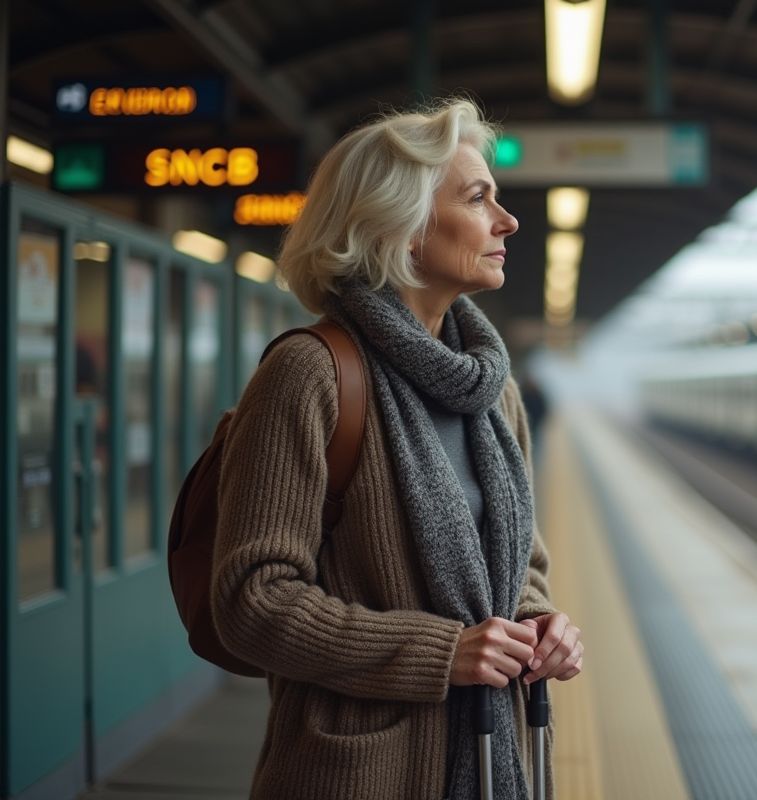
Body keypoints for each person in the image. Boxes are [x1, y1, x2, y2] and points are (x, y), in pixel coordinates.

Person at [212, 98, 583, 800]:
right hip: (357, 774)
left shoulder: (491, 391)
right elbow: (251, 599)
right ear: (403, 228)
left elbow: (521, 562)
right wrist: (441, 652)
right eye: (479, 198)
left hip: (494, 751)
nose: (507, 222)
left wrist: (537, 624)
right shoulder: (310, 372)